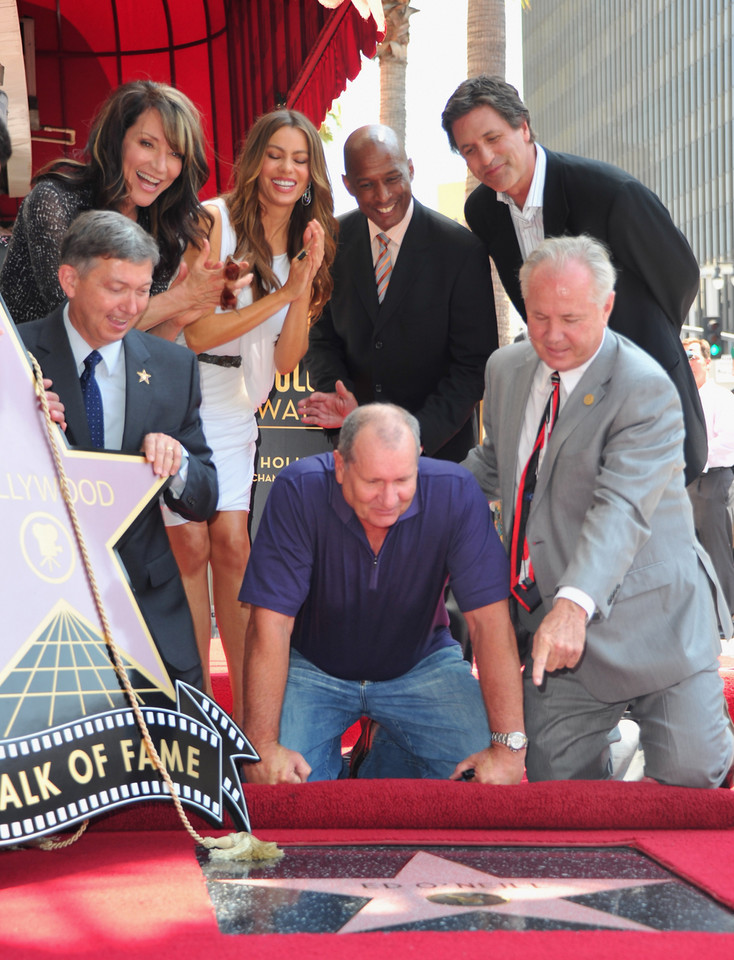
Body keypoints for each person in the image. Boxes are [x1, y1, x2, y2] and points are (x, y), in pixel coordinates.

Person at [463, 234, 734, 788]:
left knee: (694, 777)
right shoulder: (507, 370)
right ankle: (615, 743)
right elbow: (494, 465)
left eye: (571, 318)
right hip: (561, 643)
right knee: (553, 788)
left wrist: (572, 606)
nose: (554, 335)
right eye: (539, 317)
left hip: (653, 619)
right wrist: (401, 485)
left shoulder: (645, 387)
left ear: (606, 307)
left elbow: (622, 507)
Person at [239, 403, 525, 785]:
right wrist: (262, 743)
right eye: (373, 482)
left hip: (421, 664)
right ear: (341, 466)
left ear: (419, 462)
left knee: (478, 769)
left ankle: (379, 756)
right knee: (280, 782)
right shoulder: (299, 488)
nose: (388, 499)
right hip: (314, 666)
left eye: (403, 481)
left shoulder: (456, 492)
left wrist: (508, 750)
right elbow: (270, 624)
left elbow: (491, 623)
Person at [441, 75, 707, 484]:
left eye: (494, 138)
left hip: (645, 397)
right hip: (566, 408)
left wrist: (640, 338)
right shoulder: (482, 210)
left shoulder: (608, 192)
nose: (486, 158)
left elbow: (681, 277)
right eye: (469, 150)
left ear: (524, 127)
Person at [163, 109, 335, 723]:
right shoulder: (214, 220)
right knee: (188, 546)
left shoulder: (311, 241)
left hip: (241, 408)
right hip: (184, 396)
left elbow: (287, 359)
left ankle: (236, 717)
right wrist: (284, 295)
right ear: (255, 159)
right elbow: (198, 331)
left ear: (312, 171)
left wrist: (305, 279)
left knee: (233, 546)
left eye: (300, 158)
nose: (287, 170)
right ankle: (193, 709)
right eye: (275, 155)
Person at [19, 210, 218, 687]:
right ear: (70, 279)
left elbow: (205, 496)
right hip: (36, 608)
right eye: (115, 288)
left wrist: (178, 465)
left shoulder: (174, 368)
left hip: (148, 613)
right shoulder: (12, 355)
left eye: (143, 290)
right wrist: (16, 429)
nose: (131, 306)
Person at [298, 124, 497, 463]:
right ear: (348, 184)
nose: (383, 195)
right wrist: (342, 400)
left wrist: (414, 437)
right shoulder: (331, 243)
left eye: (392, 178)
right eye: (366, 184)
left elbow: (473, 365)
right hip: (355, 450)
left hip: (437, 453)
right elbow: (320, 340)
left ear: (411, 169)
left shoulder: (462, 251)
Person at [0, 80, 247, 338]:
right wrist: (178, 299)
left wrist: (177, 318)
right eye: (147, 144)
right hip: (28, 372)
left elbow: (137, 347)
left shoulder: (162, 226)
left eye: (176, 154)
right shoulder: (54, 201)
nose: (161, 167)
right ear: (116, 140)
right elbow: (74, 323)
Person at [683, 337, 734, 619]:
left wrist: (694, 455)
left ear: (707, 361)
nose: (689, 363)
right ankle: (700, 614)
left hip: (714, 480)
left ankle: (725, 615)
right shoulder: (678, 397)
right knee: (689, 550)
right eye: (684, 357)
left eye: (693, 357)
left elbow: (729, 441)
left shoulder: (722, 398)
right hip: (685, 482)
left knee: (718, 549)